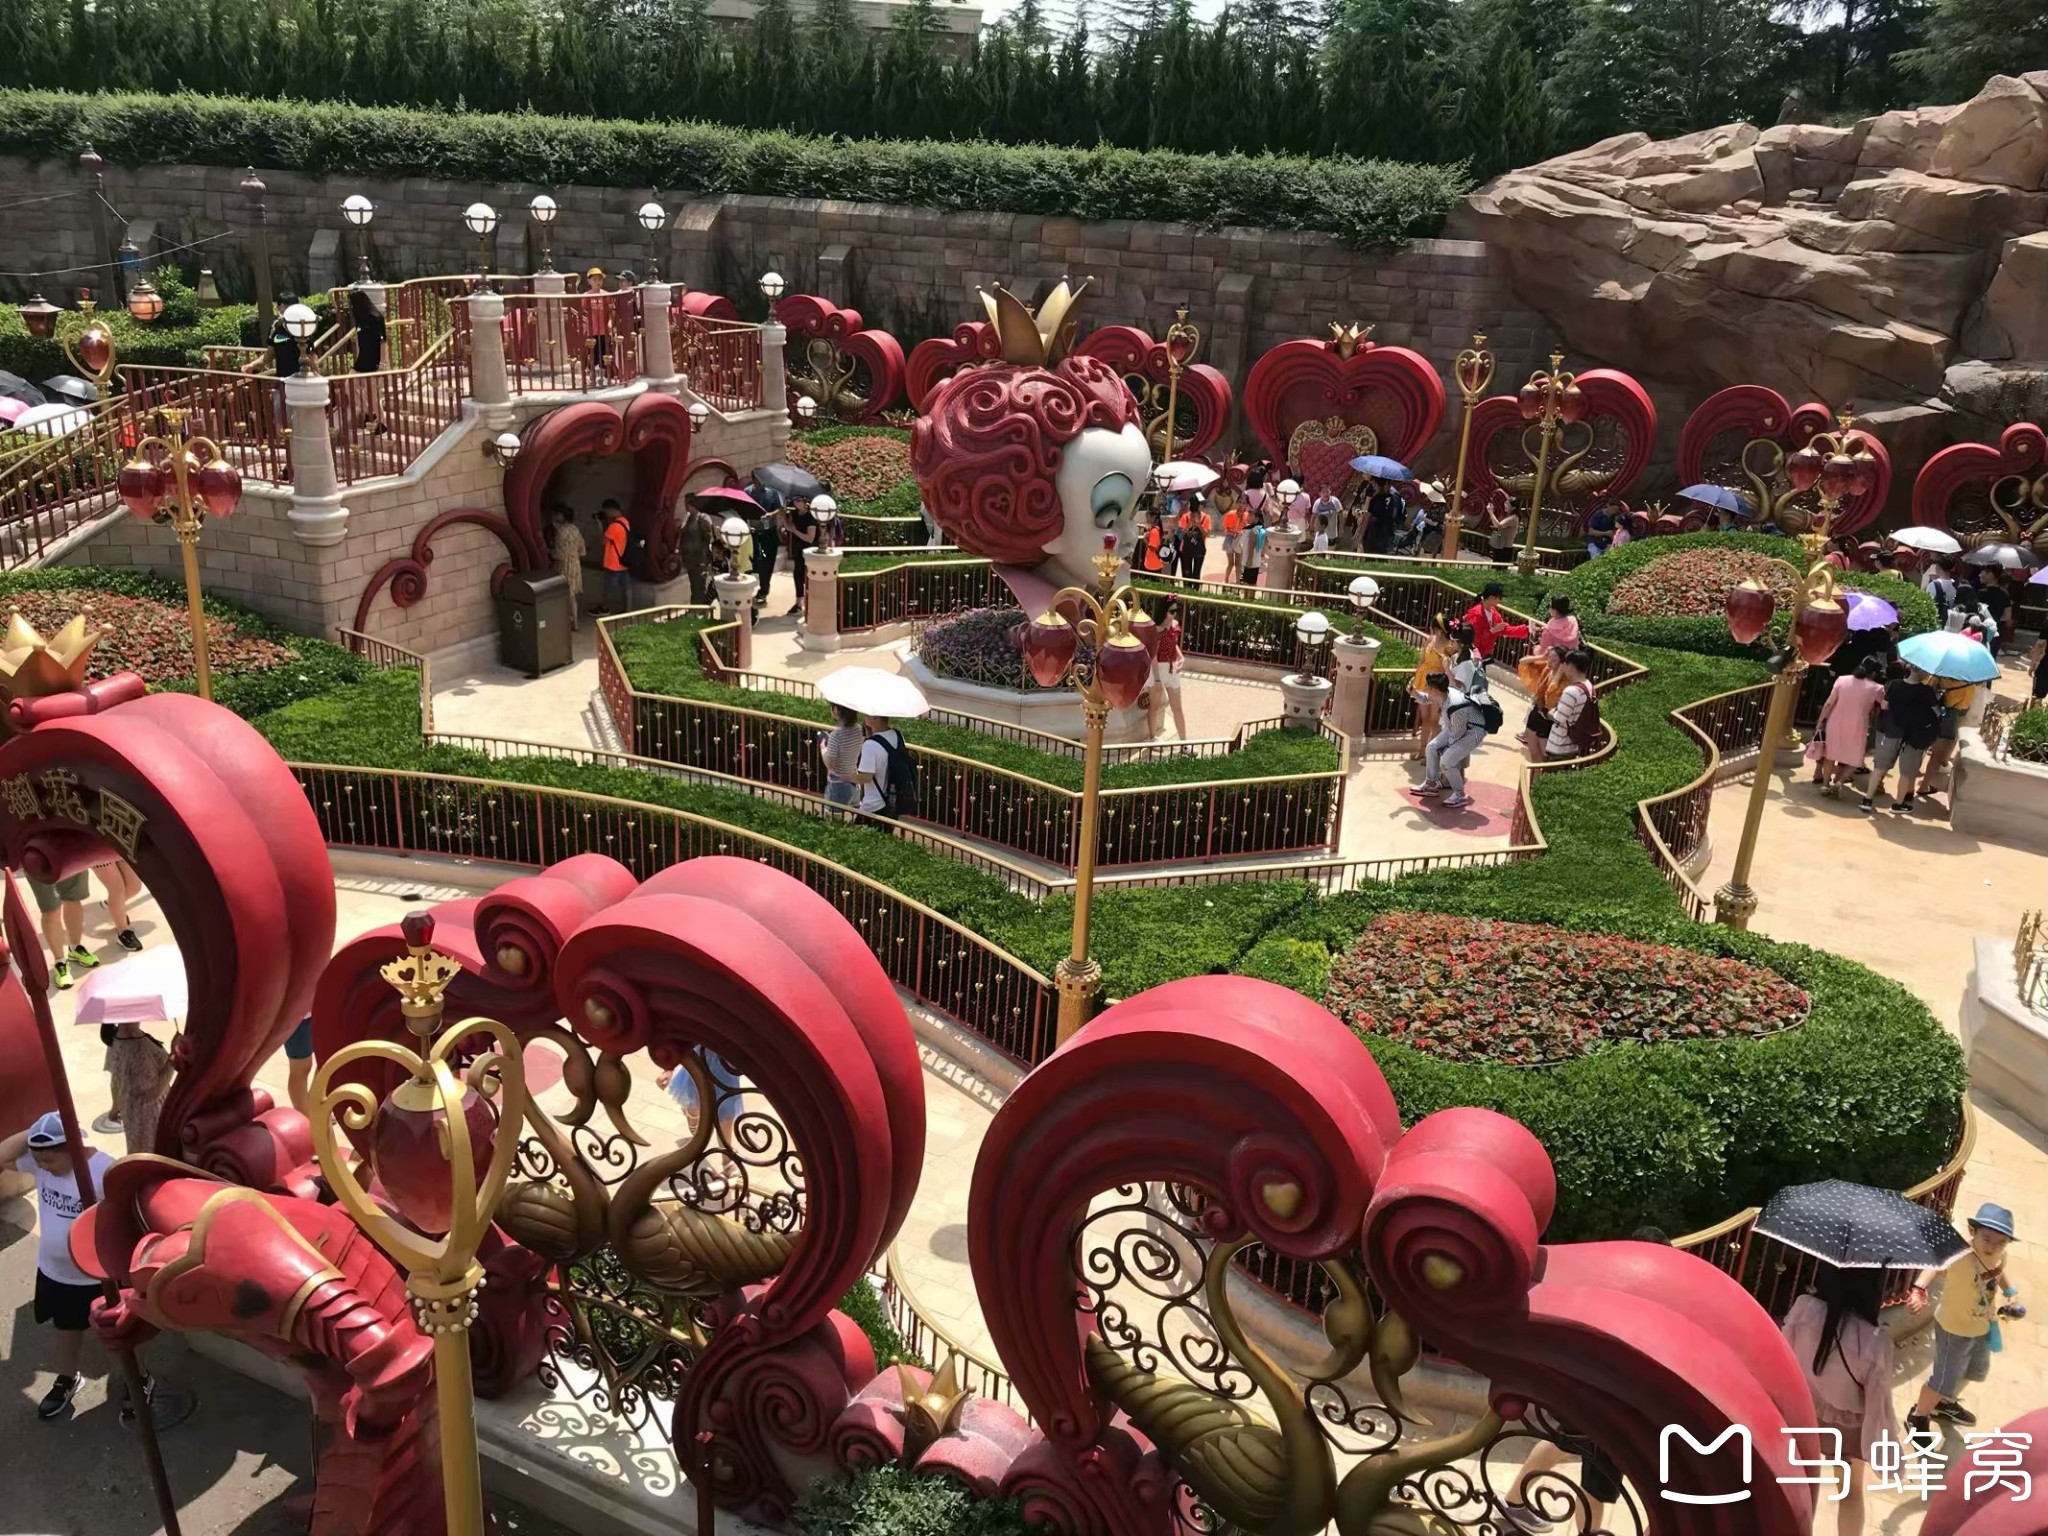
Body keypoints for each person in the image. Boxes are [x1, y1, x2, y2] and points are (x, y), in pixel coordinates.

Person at [3, 1111, 118, 1420]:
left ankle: (138, 1381)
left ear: (74, 1148)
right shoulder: (41, 1166)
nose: (43, 1167)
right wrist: (35, 1130)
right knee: (65, 1329)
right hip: (57, 1274)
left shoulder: (105, 1170)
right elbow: (2, 1156)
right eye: (38, 1160)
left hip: (99, 1276)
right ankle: (68, 1379)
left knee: (120, 1334)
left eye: (50, 1160)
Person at [1779, 1265, 1898, 1536]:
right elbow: (1879, 1407)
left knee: (1797, 1484)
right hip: (1848, 1427)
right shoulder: (1875, 1342)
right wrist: (1888, 1454)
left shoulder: (1804, 1309)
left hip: (1804, 1413)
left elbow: (1782, 1358)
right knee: (1851, 1492)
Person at [1906, 1202, 2024, 1440]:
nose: (1992, 1246)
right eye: (1986, 1238)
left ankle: (1944, 1402)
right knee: (1942, 1379)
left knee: (1975, 1370)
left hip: (1982, 1325)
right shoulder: (1960, 1255)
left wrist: (2011, 1293)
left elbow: (1999, 1272)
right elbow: (1935, 1266)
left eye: (2001, 1242)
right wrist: (1918, 1289)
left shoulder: (2000, 1256)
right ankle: (1918, 1416)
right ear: (1972, 1231)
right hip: (1953, 1328)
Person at [1863, 663, 1943, 813]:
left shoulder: (1894, 684)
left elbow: (1884, 705)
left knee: (1879, 768)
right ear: (1923, 673)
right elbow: (1937, 713)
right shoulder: (1926, 691)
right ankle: (1898, 804)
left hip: (1891, 731)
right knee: (1906, 773)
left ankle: (1867, 800)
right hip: (1913, 736)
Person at [1806, 655, 1885, 796]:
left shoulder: (1842, 680)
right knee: (1855, 758)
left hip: (1835, 722)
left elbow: (1829, 703)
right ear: (1874, 673)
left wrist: (1820, 721)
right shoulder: (1877, 688)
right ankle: (1840, 782)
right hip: (1858, 726)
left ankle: (1825, 785)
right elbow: (1884, 705)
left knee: (1830, 755)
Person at [1418, 670, 1491, 809]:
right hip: (1455, 726)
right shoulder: (1444, 693)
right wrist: (1413, 693)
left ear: (1435, 690)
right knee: (1431, 747)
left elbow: (1457, 735)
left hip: (1473, 732)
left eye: (1428, 687)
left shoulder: (1456, 706)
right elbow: (1427, 699)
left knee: (1447, 761)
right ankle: (1431, 783)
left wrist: (1446, 751)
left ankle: (1459, 794)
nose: (1426, 689)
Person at [105, 1019, 173, 1157]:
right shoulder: (141, 1045)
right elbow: (157, 1090)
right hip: (151, 1113)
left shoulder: (116, 1039)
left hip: (130, 1110)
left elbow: (115, 1082)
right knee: (156, 1153)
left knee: (137, 1151)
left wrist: (115, 1107)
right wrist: (174, 1054)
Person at [31, 873, 98, 991]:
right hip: (40, 864)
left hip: (71, 860)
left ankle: (75, 949)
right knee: (51, 910)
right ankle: (60, 962)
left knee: (73, 899)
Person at [1542, 651, 1601, 762]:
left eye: (1565, 664)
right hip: (1574, 744)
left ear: (1571, 666)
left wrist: (1550, 713)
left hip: (1559, 746)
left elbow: (1559, 718)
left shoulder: (1571, 691)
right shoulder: (1589, 686)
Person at [1516, 645, 1570, 762]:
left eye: (1554, 660)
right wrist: (1542, 657)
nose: (1549, 662)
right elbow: (1523, 662)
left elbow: (1550, 698)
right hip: (1537, 711)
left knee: (1543, 755)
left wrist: (1558, 674)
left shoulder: (1565, 681)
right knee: (1533, 752)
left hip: (1548, 719)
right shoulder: (1547, 668)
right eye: (1549, 658)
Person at [1461, 583, 1530, 673]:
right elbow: (1472, 637)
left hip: (1484, 655)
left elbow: (1505, 629)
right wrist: (1491, 631)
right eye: (1498, 598)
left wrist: (1527, 629)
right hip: (1471, 655)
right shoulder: (1476, 614)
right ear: (1491, 598)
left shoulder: (1494, 613)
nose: (1499, 601)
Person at [856, 714, 912, 820]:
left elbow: (866, 778)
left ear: (874, 718)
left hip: (873, 805)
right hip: (893, 801)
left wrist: (846, 776)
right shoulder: (897, 734)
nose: (864, 717)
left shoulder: (870, 745)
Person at [1148, 601, 1188, 741]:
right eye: (1172, 611)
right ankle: (1152, 738)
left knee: (1177, 708)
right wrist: (1157, 679)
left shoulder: (1174, 625)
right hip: (1158, 669)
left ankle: (1184, 742)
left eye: (1176, 610)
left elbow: (1173, 643)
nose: (1175, 614)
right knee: (1154, 706)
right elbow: (1153, 655)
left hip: (1172, 668)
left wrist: (1181, 657)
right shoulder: (1156, 629)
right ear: (1164, 612)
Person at [819, 704, 864, 809]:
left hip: (838, 785)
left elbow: (830, 765)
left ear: (836, 710)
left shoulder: (836, 735)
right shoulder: (859, 729)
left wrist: (823, 748)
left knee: (832, 817)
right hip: (854, 782)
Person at [552, 508, 588, 629]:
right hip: (575, 564)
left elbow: (559, 554)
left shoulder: (560, 532)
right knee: (572, 596)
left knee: (564, 595)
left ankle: (566, 621)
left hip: (564, 566)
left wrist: (549, 552)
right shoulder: (575, 529)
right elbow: (582, 550)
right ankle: (575, 622)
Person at [784, 496, 820, 616]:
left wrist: (795, 531)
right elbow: (790, 528)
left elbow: (810, 538)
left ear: (805, 502)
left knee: (810, 575)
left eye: (799, 501)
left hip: (809, 550)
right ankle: (799, 602)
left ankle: (813, 601)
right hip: (798, 548)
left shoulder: (811, 517)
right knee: (798, 574)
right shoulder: (794, 513)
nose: (796, 503)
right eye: (794, 501)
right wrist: (782, 517)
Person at [598, 499, 632, 615]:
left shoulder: (614, 526)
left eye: (606, 511)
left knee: (609, 588)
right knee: (626, 587)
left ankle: (604, 608)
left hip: (613, 563)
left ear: (610, 510)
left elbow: (602, 540)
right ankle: (628, 609)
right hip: (624, 560)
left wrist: (600, 525)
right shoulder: (625, 522)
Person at [284, 1012, 316, 1116]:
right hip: (298, 1017)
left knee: (327, 1062)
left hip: (323, 1012)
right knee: (301, 1068)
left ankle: (315, 1109)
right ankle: (304, 1117)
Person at [1176, 498, 1209, 584]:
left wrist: (1199, 526)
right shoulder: (1185, 517)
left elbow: (1206, 534)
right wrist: (1189, 524)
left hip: (1199, 549)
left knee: (1196, 574)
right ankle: (1187, 589)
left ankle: (1195, 590)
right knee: (1187, 574)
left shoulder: (1206, 517)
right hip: (1186, 549)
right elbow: (1182, 534)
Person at [1368, 479, 1406, 554]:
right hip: (1382, 529)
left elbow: (1393, 513)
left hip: (1382, 529)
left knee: (1378, 551)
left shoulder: (1391, 495)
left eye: (1375, 485)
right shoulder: (1385, 496)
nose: (1374, 487)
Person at [1487, 499, 1521, 565]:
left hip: (1504, 548)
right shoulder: (1509, 516)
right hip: (1500, 546)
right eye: (1505, 503)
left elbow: (1498, 525)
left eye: (1507, 504)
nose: (1505, 505)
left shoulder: (1513, 518)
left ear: (1513, 508)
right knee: (1495, 566)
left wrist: (1491, 512)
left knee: (1499, 568)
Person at [1221, 501, 1245, 585]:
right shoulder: (1231, 514)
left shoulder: (1246, 515)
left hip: (1239, 539)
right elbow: (1226, 528)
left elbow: (1246, 527)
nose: (1241, 505)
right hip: (1230, 539)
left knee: (1238, 563)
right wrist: (1236, 531)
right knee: (1230, 563)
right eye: (1240, 503)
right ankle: (1226, 580)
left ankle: (1238, 581)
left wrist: (1242, 532)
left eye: (1243, 503)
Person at [1242, 516, 1268, 589]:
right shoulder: (1262, 531)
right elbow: (1265, 547)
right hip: (1256, 561)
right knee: (1251, 583)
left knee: (1249, 584)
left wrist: (1249, 559)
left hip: (1250, 561)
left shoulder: (1254, 531)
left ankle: (1248, 595)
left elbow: (1251, 547)